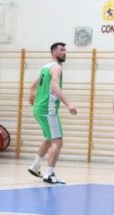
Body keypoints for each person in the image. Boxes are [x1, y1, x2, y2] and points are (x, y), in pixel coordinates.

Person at [27, 42, 78, 184]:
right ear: (54, 52)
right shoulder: (56, 68)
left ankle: (35, 166)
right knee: (58, 140)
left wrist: (32, 93)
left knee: (49, 138)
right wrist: (68, 104)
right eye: (62, 50)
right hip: (47, 110)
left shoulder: (45, 67)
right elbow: (55, 87)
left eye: (65, 50)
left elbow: (33, 86)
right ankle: (49, 174)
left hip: (38, 109)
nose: (64, 52)